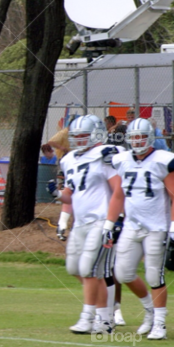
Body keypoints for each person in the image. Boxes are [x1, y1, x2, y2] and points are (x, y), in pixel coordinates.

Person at [105, 118, 174, 340]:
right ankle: (149, 311)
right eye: (134, 137)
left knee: (154, 275)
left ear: (149, 138)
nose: (137, 140)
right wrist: (109, 223)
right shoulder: (122, 160)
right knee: (122, 272)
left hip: (156, 227)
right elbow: (118, 195)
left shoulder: (163, 160)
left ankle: (160, 323)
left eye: (141, 136)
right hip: (132, 225)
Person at [57, 115, 120, 335]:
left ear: (96, 134)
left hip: (101, 220)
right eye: (76, 136)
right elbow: (70, 194)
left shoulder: (106, 155)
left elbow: (118, 191)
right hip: (80, 223)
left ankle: (88, 317)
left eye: (84, 135)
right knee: (75, 269)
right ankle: (104, 320)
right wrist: (63, 218)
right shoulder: (69, 159)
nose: (80, 140)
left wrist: (110, 223)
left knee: (89, 269)